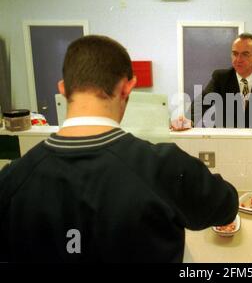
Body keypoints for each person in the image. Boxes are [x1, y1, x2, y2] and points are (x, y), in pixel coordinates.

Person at [0, 35, 239, 262]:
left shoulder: (10, 180)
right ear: (127, 88)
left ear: (63, 88)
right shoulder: (165, 167)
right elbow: (227, 206)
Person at [173, 33, 252, 130]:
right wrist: (189, 120)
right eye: (235, 54)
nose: (238, 59)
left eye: (245, 54)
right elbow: (201, 103)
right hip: (225, 138)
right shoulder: (221, 78)